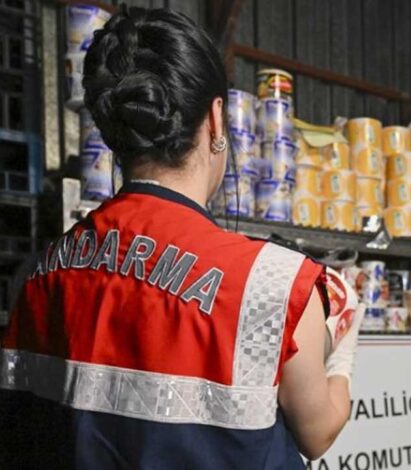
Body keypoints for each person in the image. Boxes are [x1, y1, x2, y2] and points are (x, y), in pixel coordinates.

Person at [0, 5, 362, 469]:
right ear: (215, 119)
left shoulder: (37, 275)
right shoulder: (274, 285)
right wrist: (343, 347)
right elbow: (318, 433)